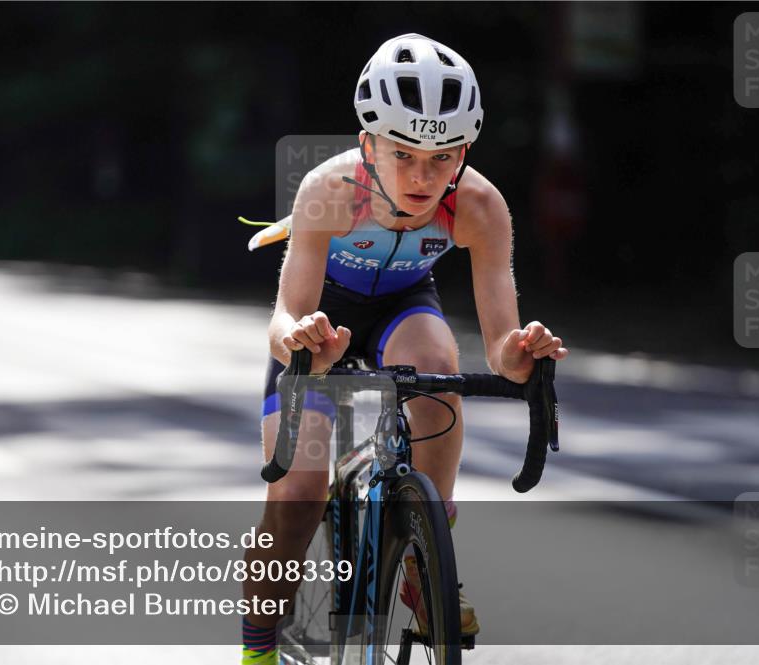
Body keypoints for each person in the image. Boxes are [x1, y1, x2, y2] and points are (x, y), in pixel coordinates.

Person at [241, 34, 569, 664]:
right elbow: (285, 315)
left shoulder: (479, 205)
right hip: (321, 318)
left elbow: (500, 341)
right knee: (298, 494)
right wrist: (300, 339)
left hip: (402, 306)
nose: (424, 177)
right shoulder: (327, 189)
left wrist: (520, 353)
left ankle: (426, 541)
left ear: (464, 153)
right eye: (403, 154)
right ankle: (256, 649)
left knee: (439, 368)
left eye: (443, 158)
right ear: (369, 145)